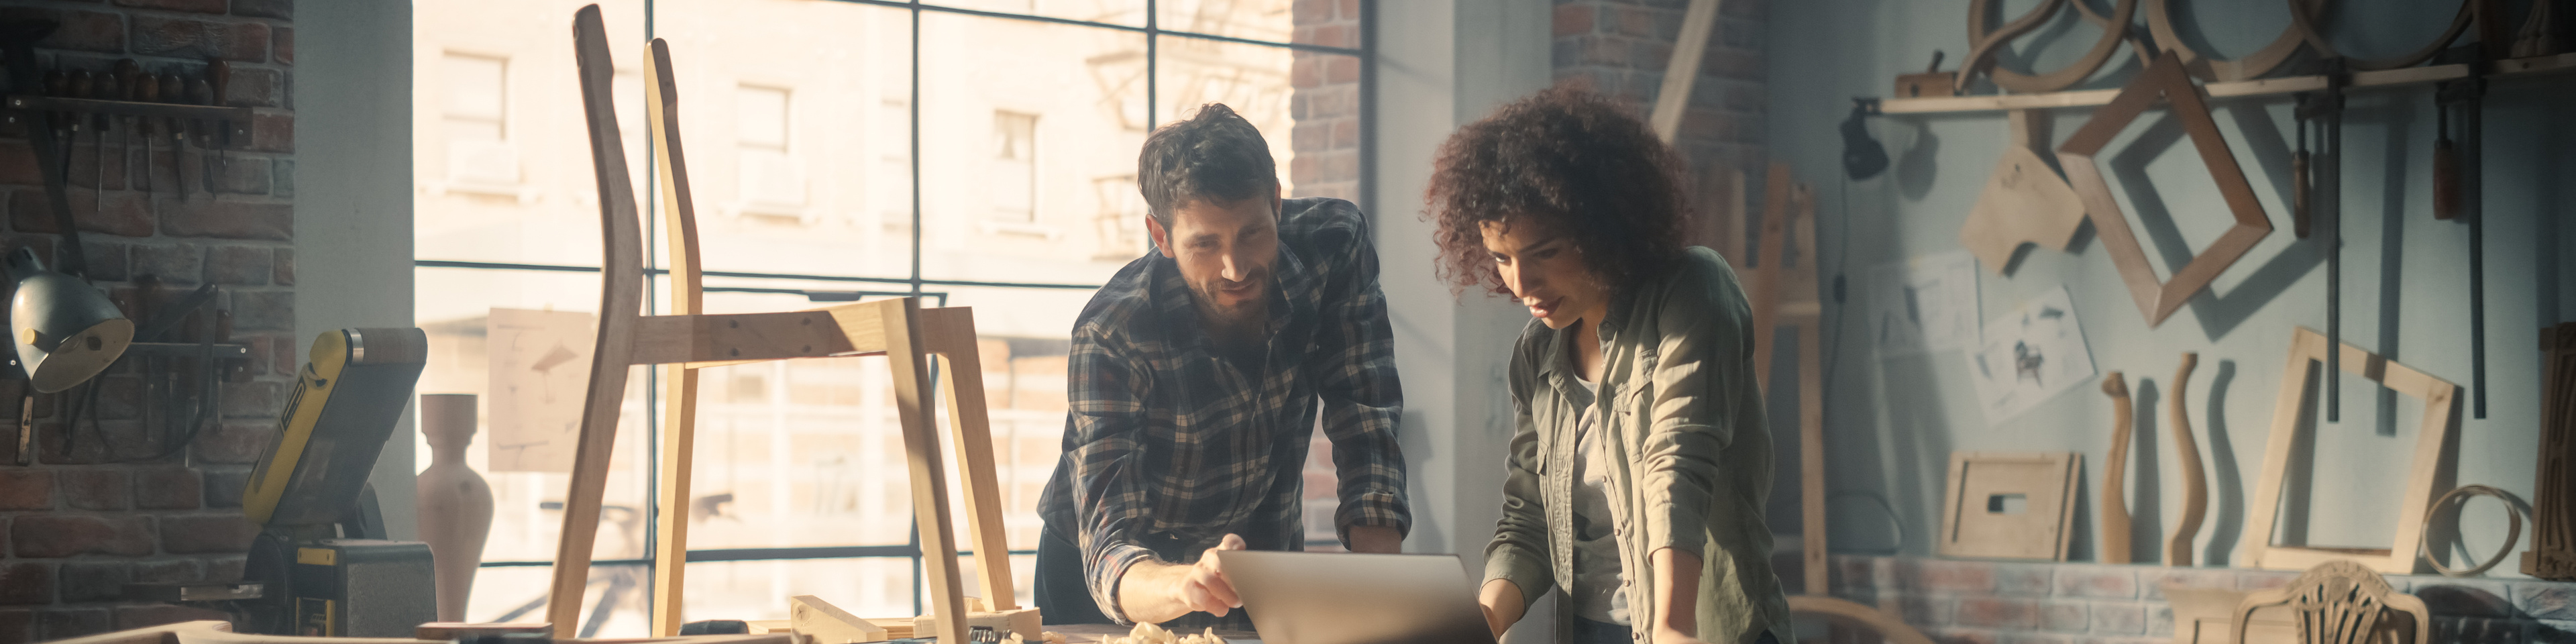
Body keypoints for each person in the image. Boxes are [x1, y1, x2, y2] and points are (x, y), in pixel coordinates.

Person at [1426, 88, 1790, 644]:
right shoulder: (1536, 355)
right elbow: (1530, 520)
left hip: (1705, 628)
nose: (1521, 284)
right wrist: (1480, 624)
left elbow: (1680, 462)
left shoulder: (1693, 288)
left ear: (1600, 228)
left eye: (1544, 252)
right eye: (1502, 258)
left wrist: (1671, 625)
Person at [1034, 103, 1411, 631]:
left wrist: (1384, 593)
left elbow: (1364, 412)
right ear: (1160, 236)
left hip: (1256, 549)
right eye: (1205, 244)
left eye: (1253, 233)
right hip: (1119, 578)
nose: (1235, 268)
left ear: (1276, 205)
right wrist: (1183, 583)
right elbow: (1110, 544)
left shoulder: (1334, 244)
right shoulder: (1112, 332)